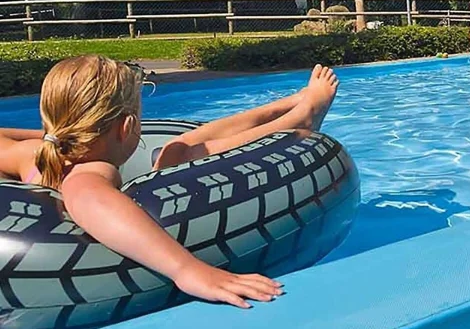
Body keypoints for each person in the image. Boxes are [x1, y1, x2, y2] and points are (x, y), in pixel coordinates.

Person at [0, 55, 339, 309]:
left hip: (60, 143)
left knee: (175, 150)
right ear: (127, 128)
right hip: (97, 245)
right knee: (177, 155)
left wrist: (59, 134)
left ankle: (291, 106)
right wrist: (186, 270)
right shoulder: (92, 171)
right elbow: (89, 199)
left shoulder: (32, 155)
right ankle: (300, 117)